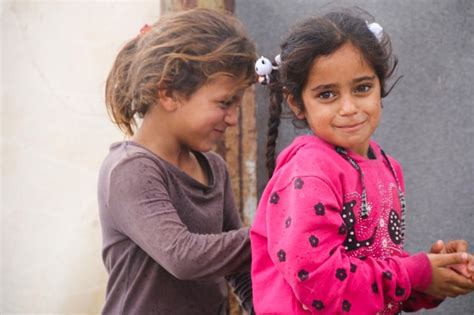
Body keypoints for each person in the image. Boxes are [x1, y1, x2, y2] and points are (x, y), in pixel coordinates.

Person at [250, 9, 474, 314]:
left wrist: (435, 276)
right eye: (327, 94)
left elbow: (373, 278)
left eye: (362, 88)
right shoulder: (310, 173)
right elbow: (322, 286)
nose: (349, 107)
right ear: (297, 102)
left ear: (380, 84)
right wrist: (416, 272)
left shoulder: (386, 166)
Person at [98, 8, 256, 314]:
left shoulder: (215, 169)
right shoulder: (132, 169)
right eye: (224, 103)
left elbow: (238, 267)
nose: (234, 119)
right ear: (169, 92)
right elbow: (183, 257)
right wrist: (277, 229)